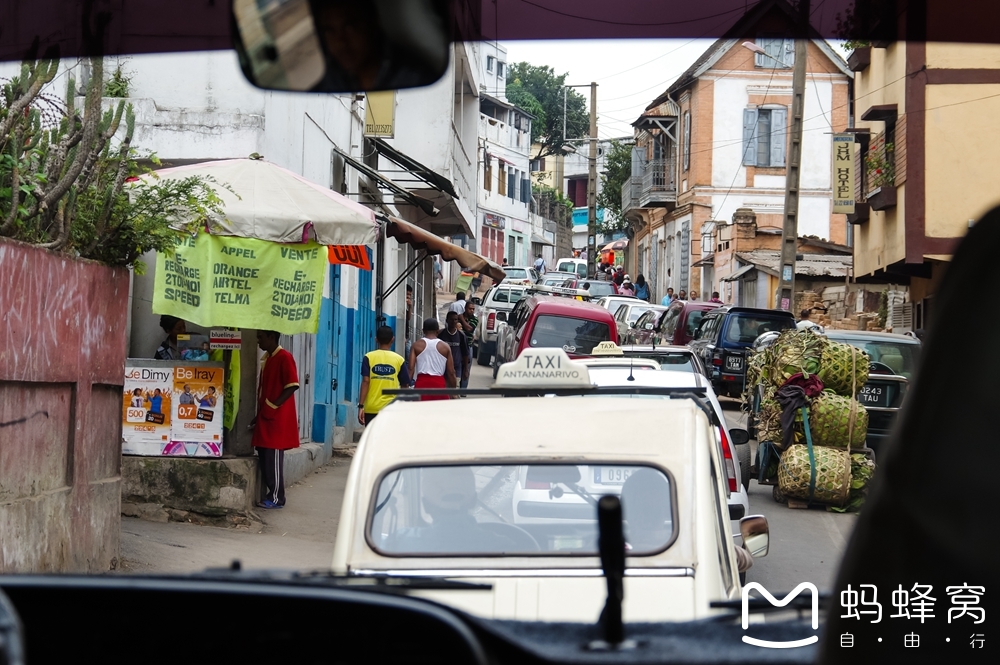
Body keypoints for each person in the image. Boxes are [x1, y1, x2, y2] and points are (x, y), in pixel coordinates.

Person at [251, 330, 300, 510]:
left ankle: (278, 497)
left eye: (260, 337)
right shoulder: (269, 358)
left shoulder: (284, 357)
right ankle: (270, 494)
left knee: (274, 457)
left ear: (271, 337)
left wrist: (273, 405)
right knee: (265, 456)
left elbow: (292, 385)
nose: (258, 341)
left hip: (276, 417)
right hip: (266, 415)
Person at [359, 326, 410, 426]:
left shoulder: (368, 357)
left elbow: (366, 381)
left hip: (371, 409)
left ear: (376, 339)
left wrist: (361, 406)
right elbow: (405, 386)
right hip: (392, 408)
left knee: (373, 439)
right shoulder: (399, 360)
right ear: (393, 339)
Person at [408, 318, 457, 400]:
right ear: (438, 331)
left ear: (423, 330)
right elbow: (451, 372)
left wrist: (406, 387)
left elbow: (410, 369)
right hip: (439, 385)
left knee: (419, 411)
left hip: (421, 384)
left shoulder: (416, 345)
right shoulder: (445, 347)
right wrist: (454, 391)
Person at [439, 311, 471, 391]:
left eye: (455, 320)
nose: (453, 322)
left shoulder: (461, 336)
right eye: (451, 320)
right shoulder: (441, 334)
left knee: (455, 391)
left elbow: (465, 353)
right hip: (442, 368)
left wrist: (466, 370)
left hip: (457, 368)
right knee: (444, 392)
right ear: (447, 320)